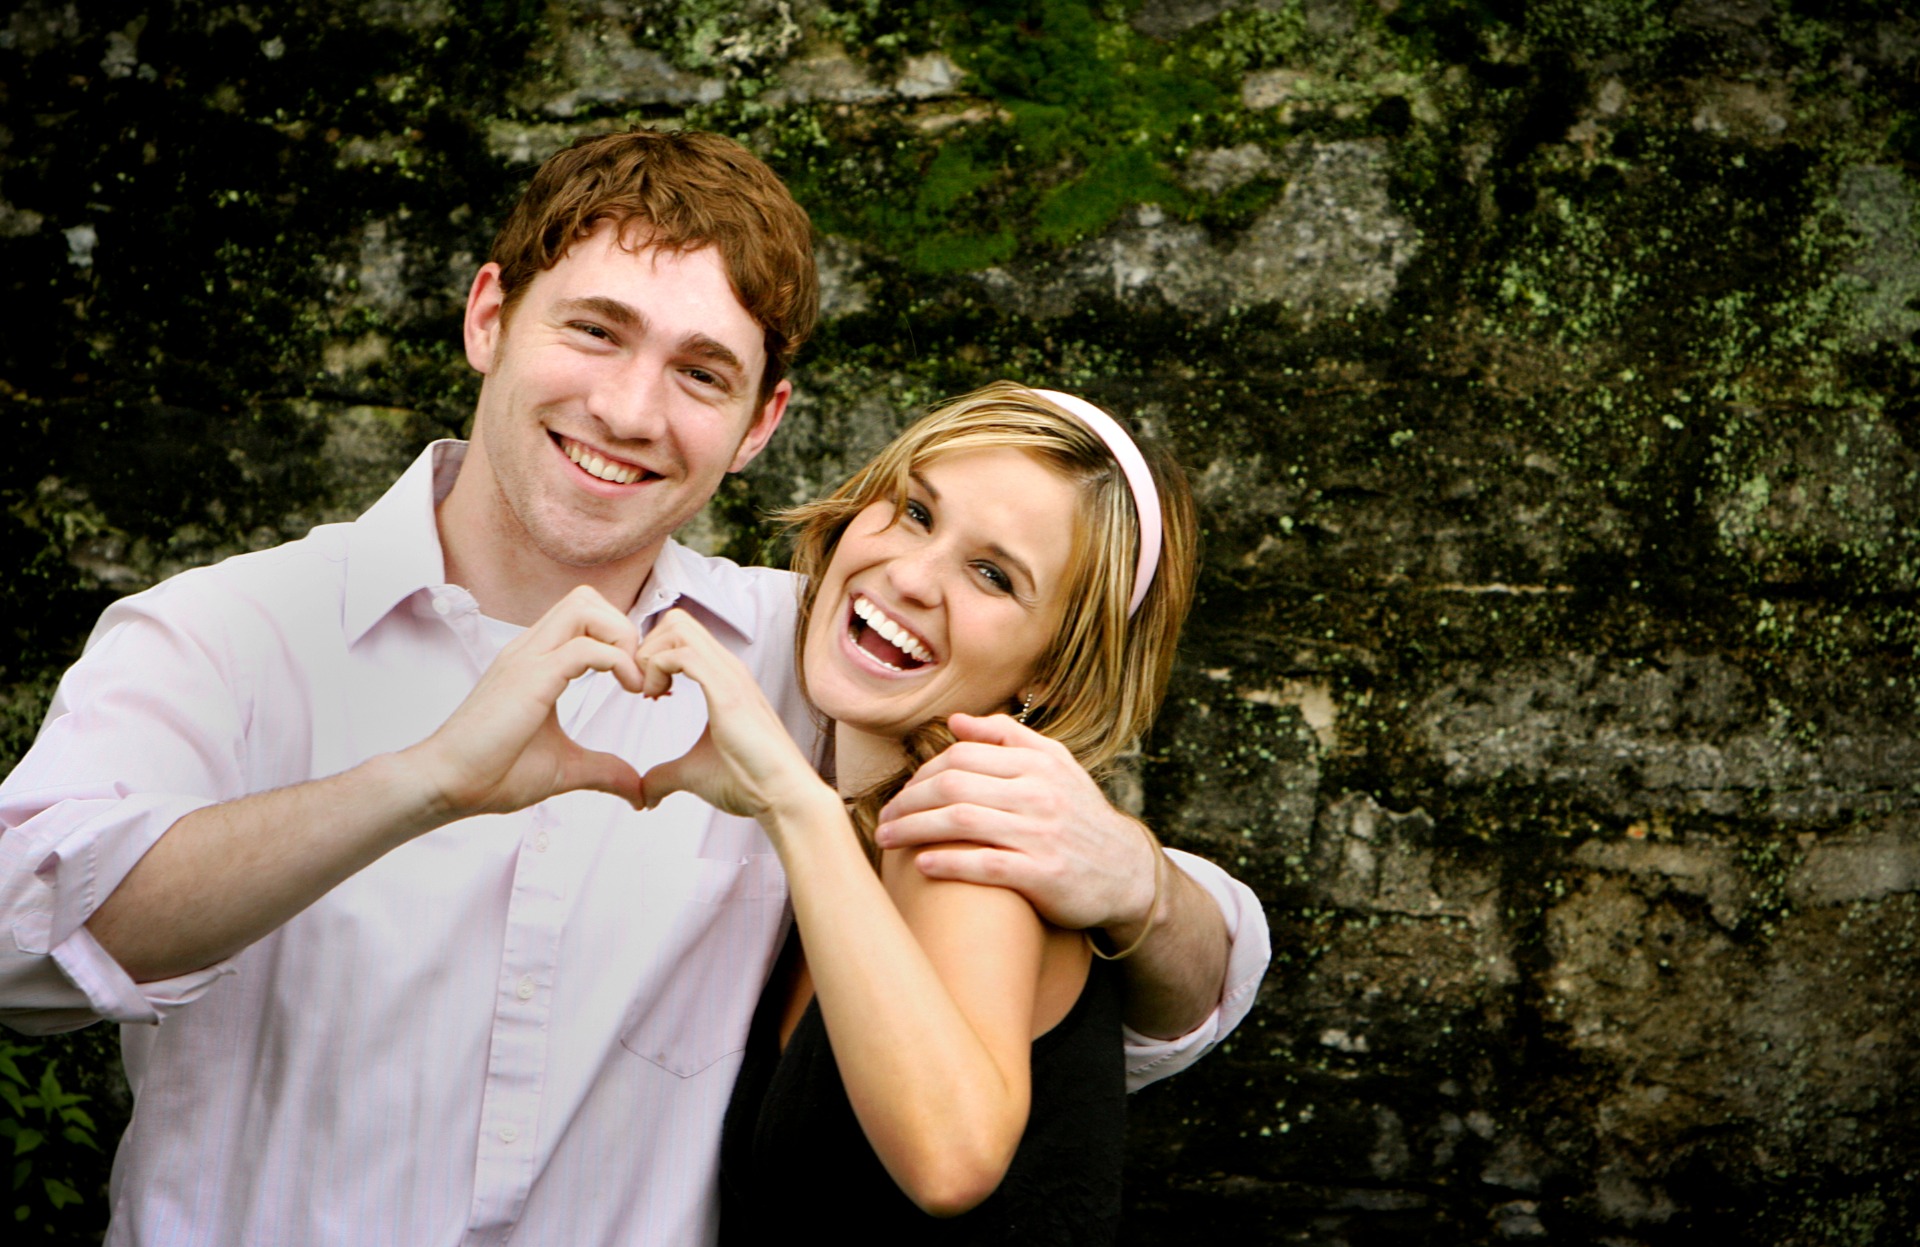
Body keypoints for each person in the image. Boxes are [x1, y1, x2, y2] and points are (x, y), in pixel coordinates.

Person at [0, 129, 1269, 1245]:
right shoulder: (228, 632)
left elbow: (1139, 998)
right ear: (489, 317)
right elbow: (18, 946)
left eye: (701, 372)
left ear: (760, 422)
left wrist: (1140, 885)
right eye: (594, 329)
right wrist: (421, 783)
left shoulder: (814, 661)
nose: (626, 408)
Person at [630, 381, 1199, 1242]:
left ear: (1052, 671)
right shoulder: (870, 831)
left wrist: (791, 800)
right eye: (917, 512)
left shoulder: (964, 839)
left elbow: (952, 1161)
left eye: (993, 575)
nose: (909, 575)